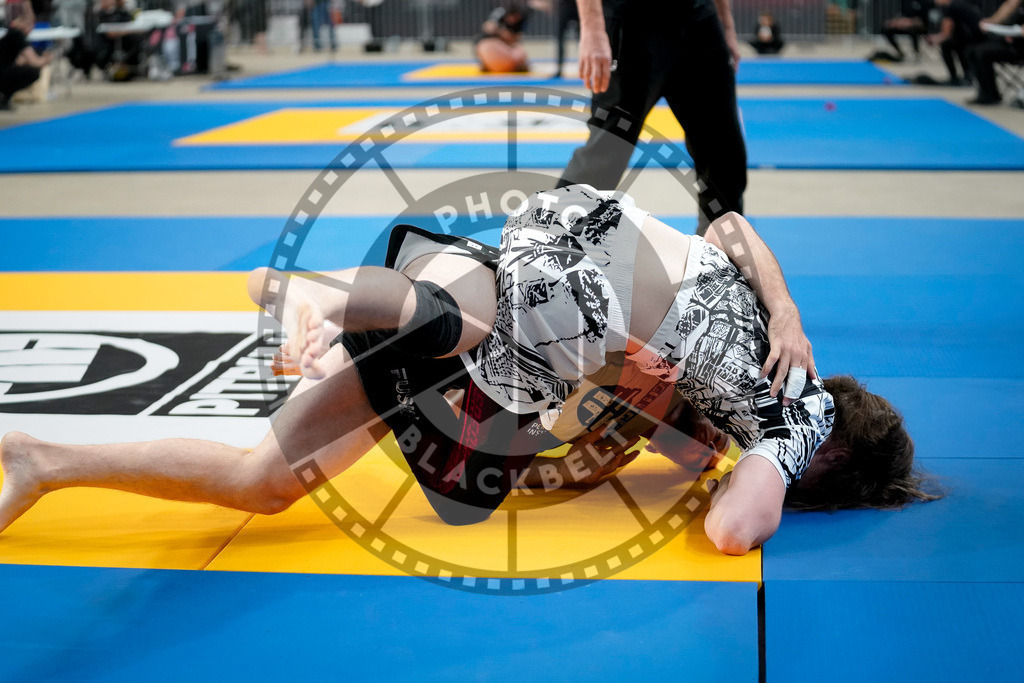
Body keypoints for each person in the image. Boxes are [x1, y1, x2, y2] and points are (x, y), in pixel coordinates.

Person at [0, 186, 937, 554]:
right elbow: (735, 533)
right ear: (834, 455)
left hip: (504, 302)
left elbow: (730, 223)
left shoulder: (724, 399)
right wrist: (781, 363)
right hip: (520, 275)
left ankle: (44, 459)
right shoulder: (788, 409)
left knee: (263, 482)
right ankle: (316, 293)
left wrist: (783, 307)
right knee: (504, 319)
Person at [557, 0, 747, 232]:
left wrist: (725, 25)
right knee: (607, 152)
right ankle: (544, 240)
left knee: (724, 157)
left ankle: (721, 256)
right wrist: (593, 28)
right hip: (630, 24)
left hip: (699, 19)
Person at [966, 0, 1024, 104]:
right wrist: (992, 22)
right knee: (971, 50)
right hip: (1012, 40)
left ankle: (991, 95)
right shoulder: (1016, 6)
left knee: (982, 52)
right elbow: (1011, 4)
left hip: (1019, 49)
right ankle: (987, 92)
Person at [926, 0, 985, 85]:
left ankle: (956, 77)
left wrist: (934, 39)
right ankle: (967, 75)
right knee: (955, 43)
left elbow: (946, 33)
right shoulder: (959, 4)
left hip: (974, 40)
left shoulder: (951, 7)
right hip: (975, 37)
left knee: (947, 45)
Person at [0, 0, 41, 110]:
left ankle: (4, 98)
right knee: (32, 72)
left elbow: (20, 60)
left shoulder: (14, 33)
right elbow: (34, 61)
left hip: (4, 69)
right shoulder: (16, 34)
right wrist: (45, 59)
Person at [474, 1, 529, 73]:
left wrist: (508, 37)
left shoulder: (522, 18)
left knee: (518, 50)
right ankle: (486, 63)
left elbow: (517, 37)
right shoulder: (499, 13)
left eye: (515, 18)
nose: (512, 20)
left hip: (508, 42)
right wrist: (500, 32)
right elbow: (488, 27)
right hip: (494, 39)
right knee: (482, 43)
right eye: (511, 17)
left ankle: (515, 63)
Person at [552, 0, 577, 78]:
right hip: (564, 4)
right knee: (560, 37)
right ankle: (559, 67)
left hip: (579, 4)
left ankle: (587, 66)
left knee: (583, 37)